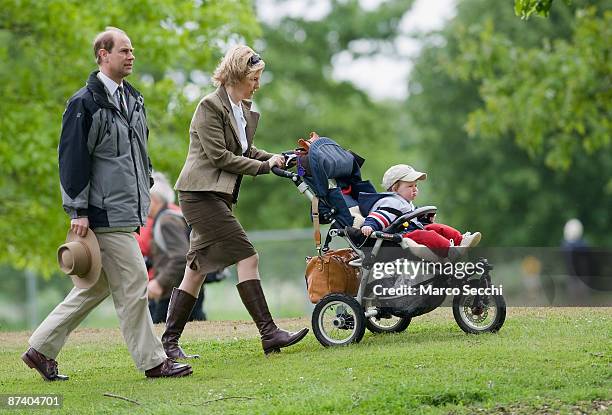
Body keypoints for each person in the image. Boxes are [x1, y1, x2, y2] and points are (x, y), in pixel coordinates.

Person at [21, 27, 191, 380]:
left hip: (127, 209)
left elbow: (138, 155)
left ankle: (40, 348)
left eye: (132, 51)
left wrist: (144, 188)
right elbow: (71, 161)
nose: (131, 56)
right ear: (102, 54)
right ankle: (154, 361)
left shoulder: (134, 99)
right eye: (124, 51)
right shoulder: (84, 103)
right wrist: (78, 211)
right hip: (103, 214)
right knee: (134, 285)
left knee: (95, 286)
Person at [162, 45, 309, 358]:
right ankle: (269, 333)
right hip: (199, 195)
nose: (257, 84)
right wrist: (263, 167)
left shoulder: (241, 109)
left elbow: (246, 151)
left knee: (196, 270)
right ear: (238, 75)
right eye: (254, 78)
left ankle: (169, 343)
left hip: (217, 196)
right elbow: (219, 156)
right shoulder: (209, 107)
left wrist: (279, 158)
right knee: (248, 256)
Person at [360, 164, 481, 258]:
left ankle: (460, 240)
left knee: (436, 228)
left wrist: (424, 218)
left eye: (416, 186)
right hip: (398, 236)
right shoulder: (391, 202)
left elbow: (413, 218)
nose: (415, 189)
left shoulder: (405, 203)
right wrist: (369, 225)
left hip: (411, 230)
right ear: (395, 188)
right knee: (427, 234)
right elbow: (380, 216)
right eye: (410, 186)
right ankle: (449, 250)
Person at [145, 172, 207, 323]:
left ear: (153, 200)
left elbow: (180, 258)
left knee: (163, 336)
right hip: (183, 291)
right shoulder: (169, 217)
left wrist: (159, 283)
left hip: (176, 293)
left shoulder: (167, 221)